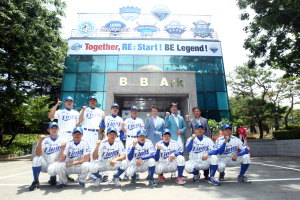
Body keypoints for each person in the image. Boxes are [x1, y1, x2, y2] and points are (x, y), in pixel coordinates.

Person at [29, 122, 68, 191]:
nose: (54, 130)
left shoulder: (63, 140)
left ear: (58, 130)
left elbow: (66, 156)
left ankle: (53, 177)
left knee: (60, 165)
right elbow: (38, 154)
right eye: (52, 128)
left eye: (56, 128)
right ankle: (36, 181)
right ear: (48, 130)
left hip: (57, 165)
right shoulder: (44, 140)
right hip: (46, 164)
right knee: (36, 159)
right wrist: (40, 142)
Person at [78, 96, 104, 181]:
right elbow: (80, 121)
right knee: (84, 152)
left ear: (96, 102)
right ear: (89, 102)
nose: (92, 102)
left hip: (95, 133)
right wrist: (83, 111)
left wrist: (101, 130)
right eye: (91, 100)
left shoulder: (100, 111)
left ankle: (92, 172)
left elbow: (102, 124)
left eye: (94, 100)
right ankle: (82, 173)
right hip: (85, 131)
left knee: (93, 152)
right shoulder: (84, 110)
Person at [100, 103, 124, 181]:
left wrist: (121, 138)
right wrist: (103, 120)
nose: (115, 109)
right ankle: (105, 174)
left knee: (116, 156)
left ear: (118, 110)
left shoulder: (120, 119)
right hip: (107, 137)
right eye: (113, 108)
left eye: (116, 108)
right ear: (111, 109)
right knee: (105, 155)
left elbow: (122, 130)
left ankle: (115, 174)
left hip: (116, 138)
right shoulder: (106, 118)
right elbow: (102, 127)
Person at [185, 106, 210, 180]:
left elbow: (207, 130)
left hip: (204, 140)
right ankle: (196, 173)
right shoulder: (191, 120)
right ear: (193, 113)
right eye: (195, 111)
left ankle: (206, 174)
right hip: (195, 140)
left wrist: (208, 139)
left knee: (205, 156)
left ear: (200, 112)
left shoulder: (204, 120)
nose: (196, 112)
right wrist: (187, 120)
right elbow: (188, 127)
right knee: (197, 156)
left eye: (198, 111)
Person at [121, 106, 144, 180]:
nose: (134, 111)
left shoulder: (140, 120)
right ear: (130, 112)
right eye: (133, 110)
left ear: (137, 112)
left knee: (137, 155)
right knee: (128, 156)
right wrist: (122, 127)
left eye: (135, 110)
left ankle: (136, 173)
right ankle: (127, 173)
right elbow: (124, 130)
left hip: (137, 139)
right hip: (129, 138)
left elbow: (142, 132)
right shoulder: (127, 120)